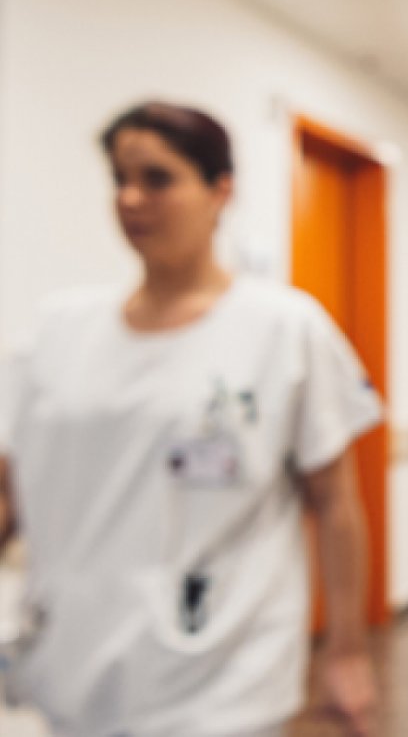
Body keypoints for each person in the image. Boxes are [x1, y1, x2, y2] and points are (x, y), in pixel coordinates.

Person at [0, 101, 382, 736]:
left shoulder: (283, 330)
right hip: (74, 662)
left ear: (219, 190)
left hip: (225, 674)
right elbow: (11, 492)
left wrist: (346, 650)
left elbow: (335, 503)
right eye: (119, 179)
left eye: (157, 178)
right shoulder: (56, 332)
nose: (130, 199)